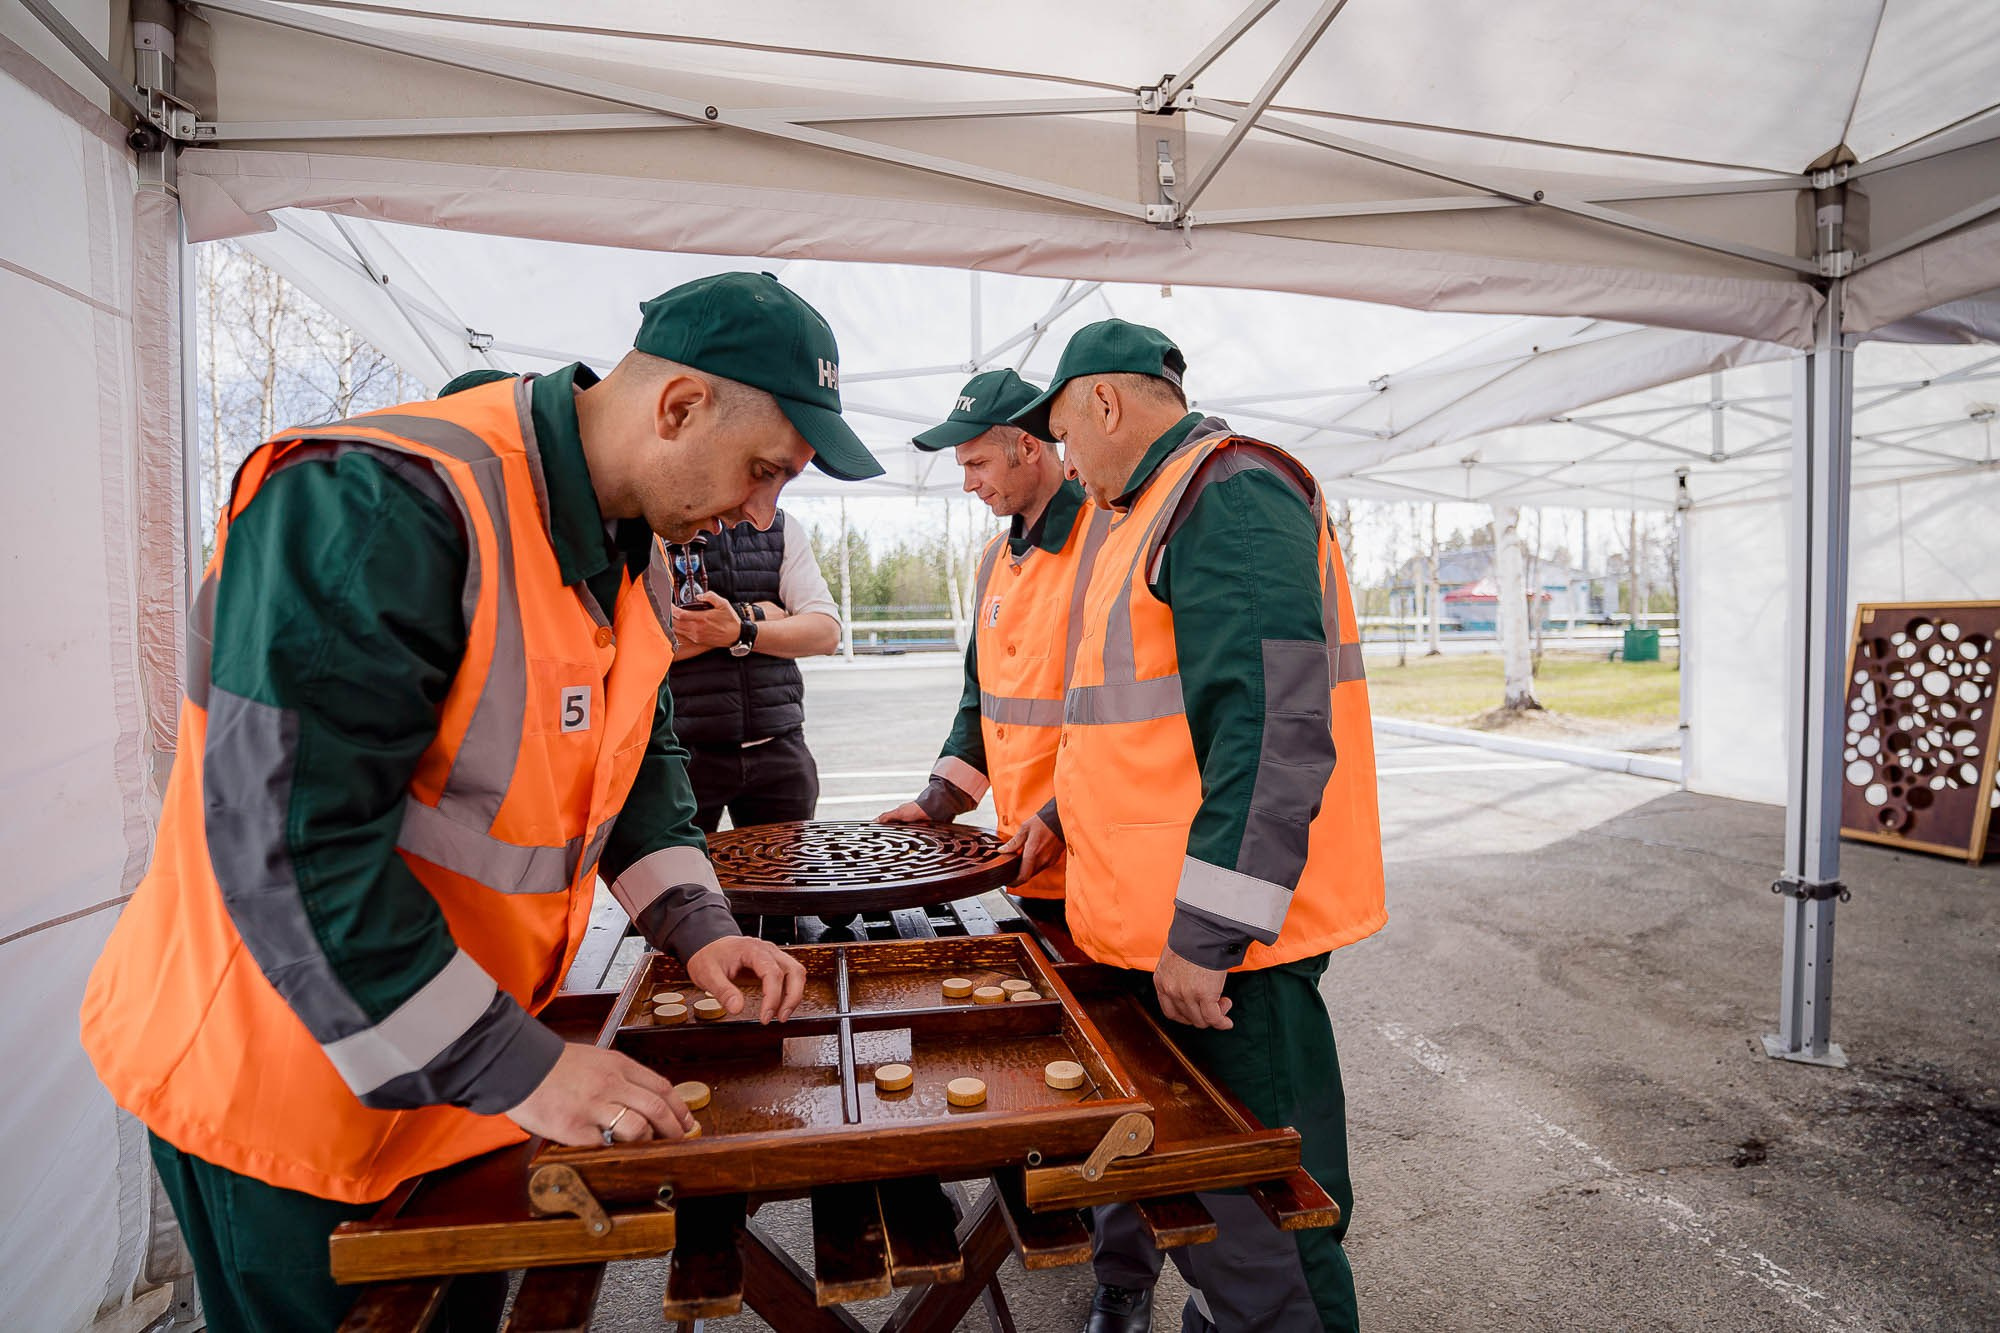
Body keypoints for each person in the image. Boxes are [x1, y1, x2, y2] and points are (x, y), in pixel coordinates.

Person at [79, 272, 884, 1333]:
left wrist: (699, 925)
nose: (761, 511)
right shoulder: (372, 502)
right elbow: (290, 841)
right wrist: (521, 1066)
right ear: (680, 405)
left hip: (461, 1070)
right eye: (764, 469)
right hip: (285, 1082)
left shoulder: (634, 556)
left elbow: (637, 758)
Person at [1007, 320, 1387, 1333]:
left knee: (1269, 1237)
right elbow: (1153, 719)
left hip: (1229, 960)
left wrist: (1206, 934)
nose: (1066, 462)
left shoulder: (1228, 492)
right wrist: (1060, 813)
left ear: (1104, 402)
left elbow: (1270, 729)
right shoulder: (1149, 511)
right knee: (1219, 1229)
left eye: (1064, 434)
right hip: (1163, 935)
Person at [877, 368, 1107, 908]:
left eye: (977, 464)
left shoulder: (1107, 540)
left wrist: (1061, 816)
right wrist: (940, 797)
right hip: (1024, 856)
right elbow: (981, 699)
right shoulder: (991, 562)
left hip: (1099, 856)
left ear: (1028, 447)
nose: (968, 483)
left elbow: (1129, 721)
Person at [666, 509, 842, 833]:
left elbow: (826, 633)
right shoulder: (659, 525)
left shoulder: (782, 526)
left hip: (780, 750)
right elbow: (645, 644)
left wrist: (738, 631)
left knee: (787, 868)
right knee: (681, 866)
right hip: (680, 754)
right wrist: (757, 614)